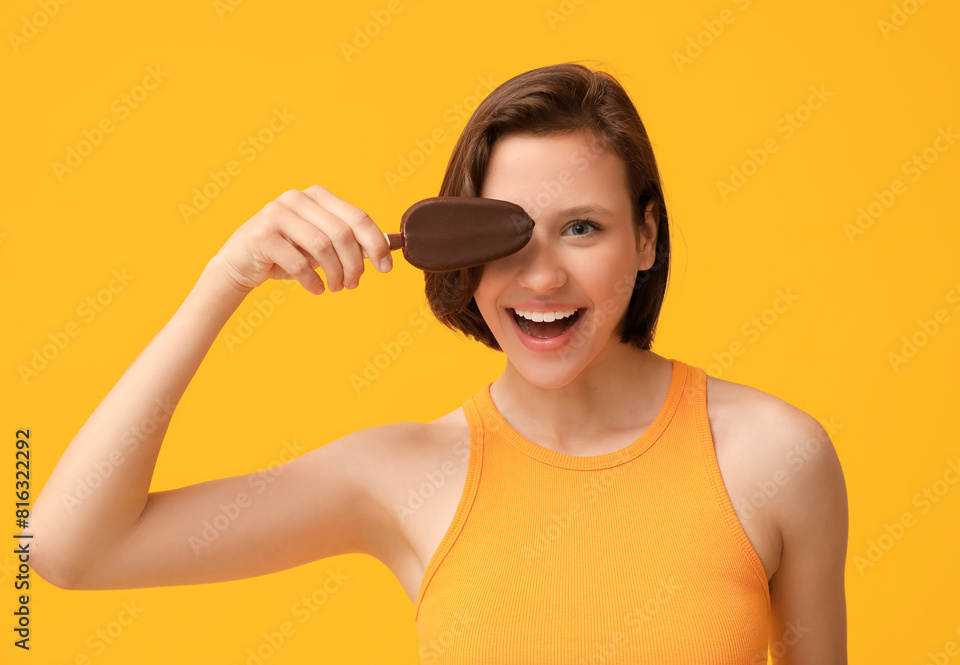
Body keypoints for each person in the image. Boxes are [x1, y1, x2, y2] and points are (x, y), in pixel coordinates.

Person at [26, 62, 848, 663]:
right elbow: (68, 548)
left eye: (583, 228)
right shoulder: (402, 476)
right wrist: (223, 282)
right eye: (511, 232)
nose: (542, 276)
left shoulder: (773, 455)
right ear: (462, 248)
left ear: (647, 237)